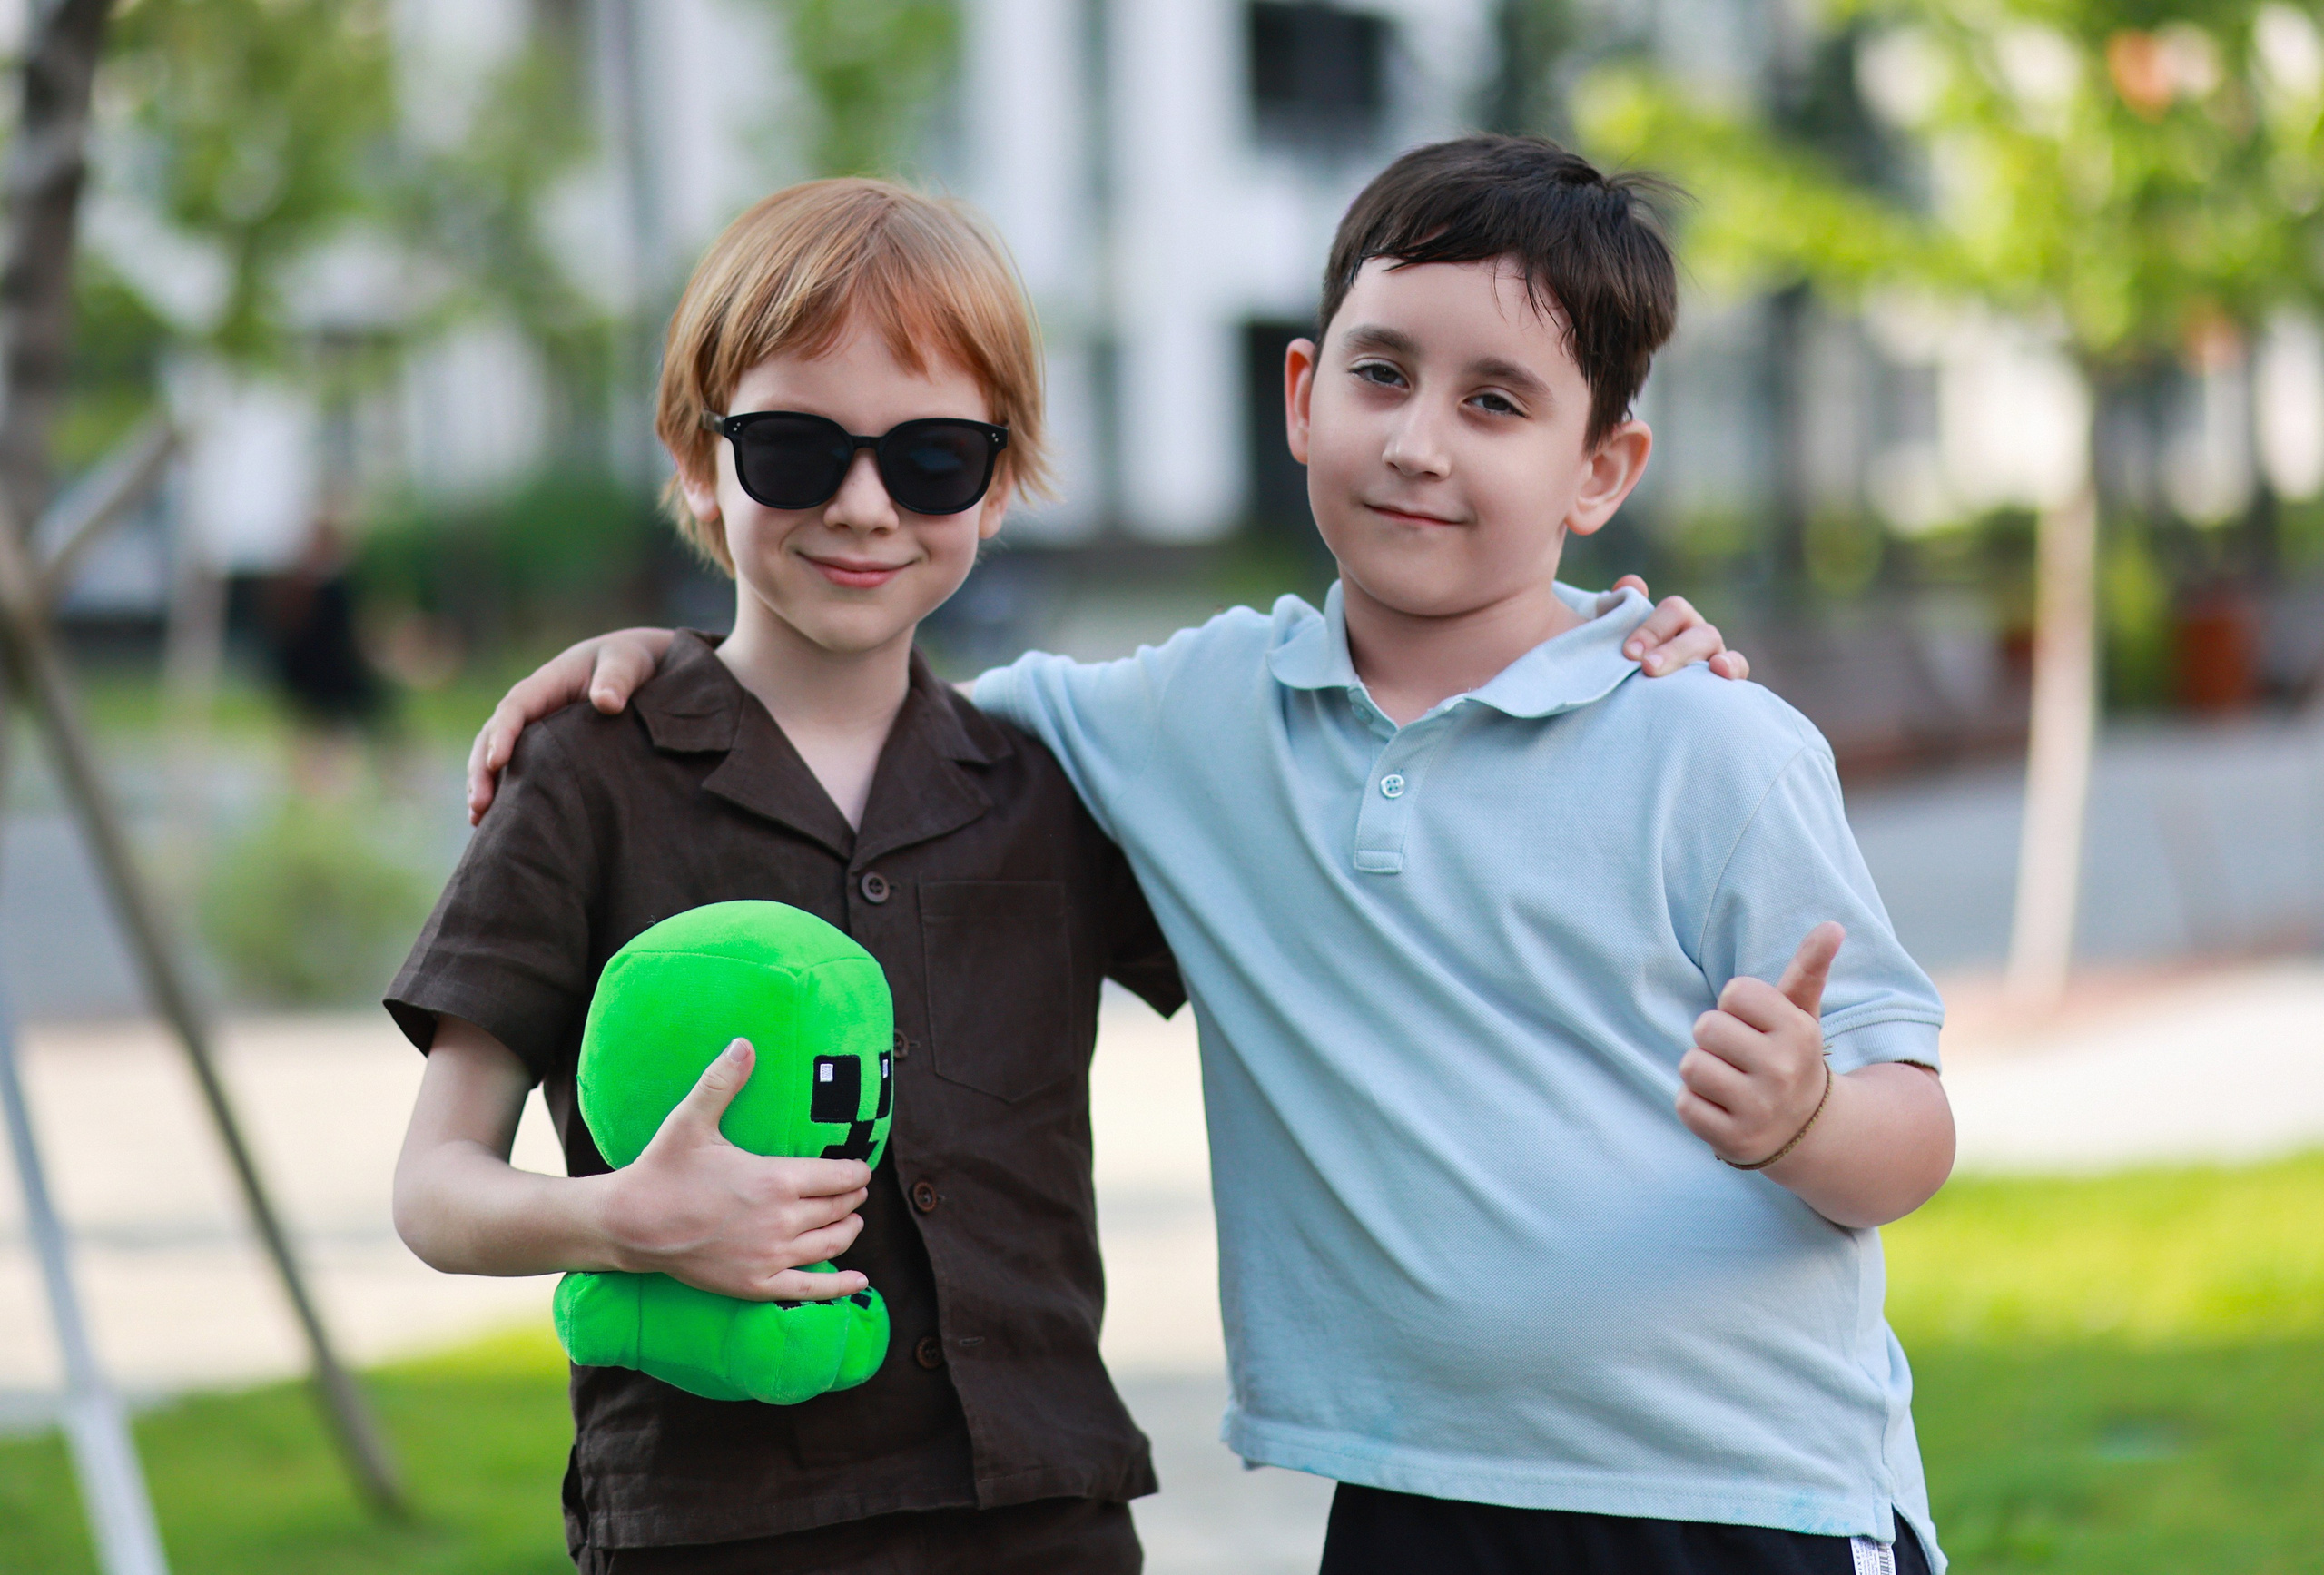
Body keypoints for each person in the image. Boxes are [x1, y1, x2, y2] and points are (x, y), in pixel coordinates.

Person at [464, 141, 1944, 1575]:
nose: (1420, 440)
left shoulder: (1711, 740)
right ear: (1302, 395)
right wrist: (669, 665)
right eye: (1382, 373)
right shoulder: (1185, 720)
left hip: (1751, 1497)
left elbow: (1914, 1133)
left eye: (1498, 402)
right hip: (1411, 1487)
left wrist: (1806, 1117)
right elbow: (857, 707)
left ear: (1601, 467)